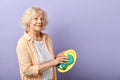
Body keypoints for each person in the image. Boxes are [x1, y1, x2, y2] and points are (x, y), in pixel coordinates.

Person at [16, 7, 68, 80]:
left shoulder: (47, 38)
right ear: (28, 22)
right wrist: (53, 62)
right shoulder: (22, 43)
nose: (40, 21)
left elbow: (47, 61)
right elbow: (27, 71)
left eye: (42, 18)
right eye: (35, 18)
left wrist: (58, 59)